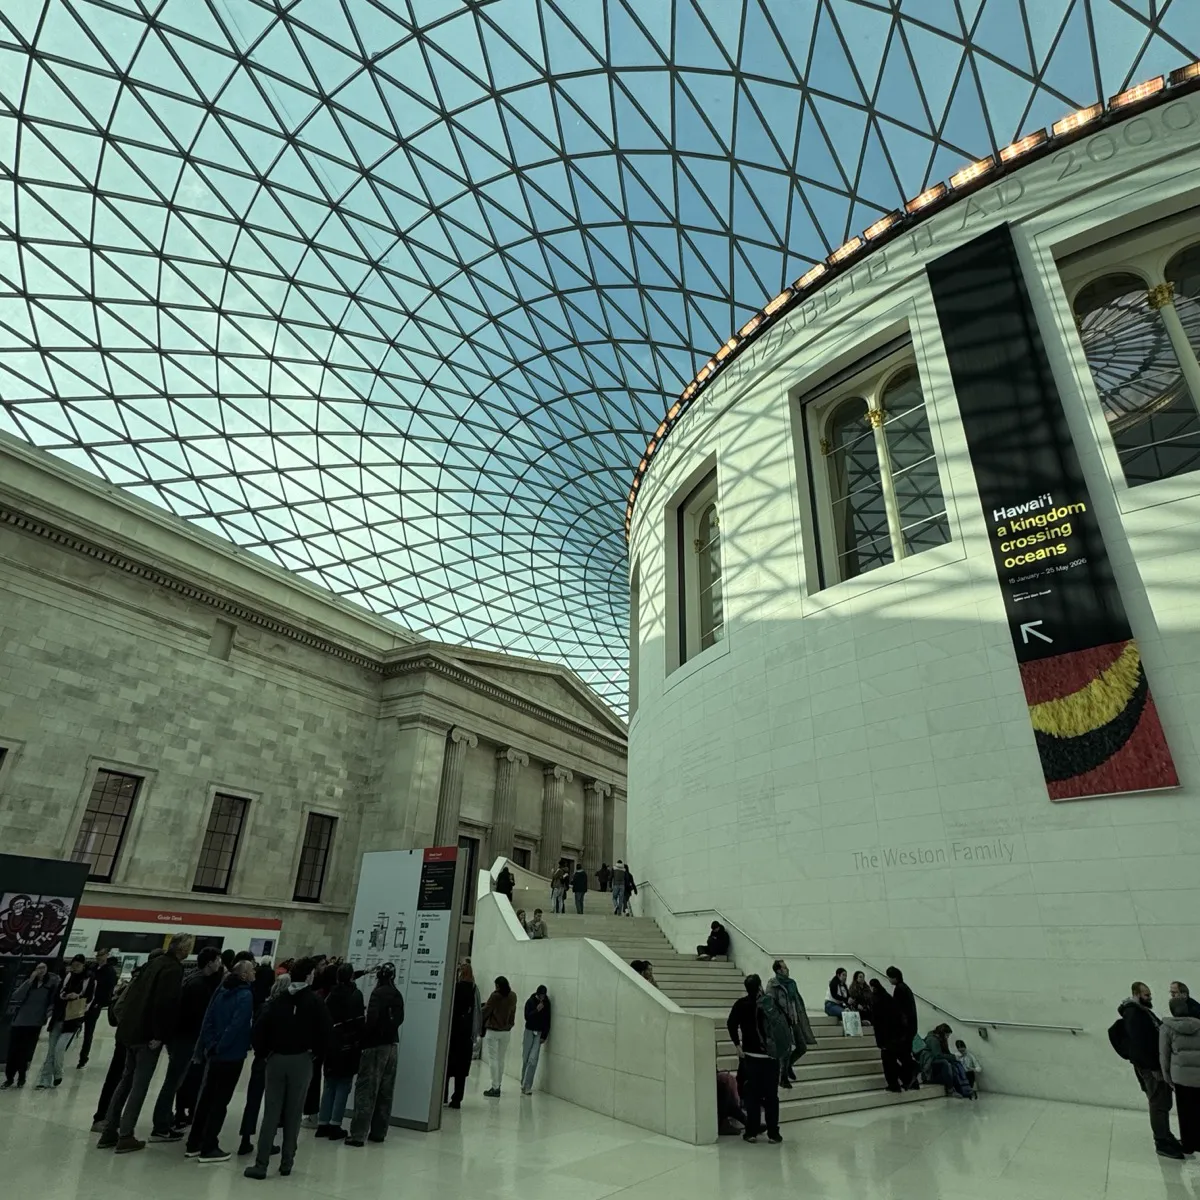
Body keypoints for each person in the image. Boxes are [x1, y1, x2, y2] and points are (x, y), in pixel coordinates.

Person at [99, 931, 194, 1154]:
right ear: (181, 948)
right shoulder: (172, 969)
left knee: (125, 1081)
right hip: (147, 1035)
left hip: (129, 1031)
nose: (189, 950)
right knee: (139, 1086)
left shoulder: (154, 963)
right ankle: (126, 1135)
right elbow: (164, 1004)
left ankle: (109, 1130)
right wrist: (159, 1035)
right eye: (189, 946)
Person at [243, 957, 333, 1179]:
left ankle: (261, 1163)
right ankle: (287, 1162)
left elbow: (259, 1030)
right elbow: (326, 1033)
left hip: (276, 1059)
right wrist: (315, 1053)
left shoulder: (278, 1000)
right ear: (309, 975)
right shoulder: (314, 1001)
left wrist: (265, 1053)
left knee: (271, 1112)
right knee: (293, 1113)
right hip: (301, 1060)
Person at [184, 958, 255, 1163]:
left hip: (214, 1053)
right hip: (231, 1055)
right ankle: (209, 1146)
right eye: (251, 971)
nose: (254, 974)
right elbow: (236, 1025)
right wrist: (222, 1045)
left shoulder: (221, 991)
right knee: (220, 1101)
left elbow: (209, 1019)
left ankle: (194, 1142)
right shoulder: (245, 995)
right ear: (243, 975)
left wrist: (211, 1044)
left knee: (206, 1098)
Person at [152, 945, 224, 1140]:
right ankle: (160, 1125)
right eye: (218, 960)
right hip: (185, 1039)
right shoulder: (199, 986)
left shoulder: (192, 979)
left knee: (174, 1081)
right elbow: (196, 1017)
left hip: (180, 1038)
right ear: (210, 963)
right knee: (173, 1082)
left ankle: (166, 1118)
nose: (220, 964)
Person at [91, 952, 161, 1131]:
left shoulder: (140, 980)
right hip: (129, 1038)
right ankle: (104, 1117)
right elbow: (120, 1008)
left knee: (122, 1077)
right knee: (119, 1077)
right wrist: (132, 1026)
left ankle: (109, 1118)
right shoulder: (141, 982)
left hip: (128, 1036)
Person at [1121, 981, 1185, 1159]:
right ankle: (1162, 1142)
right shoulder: (1134, 1013)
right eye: (1146, 995)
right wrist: (1154, 1067)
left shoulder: (1141, 1011)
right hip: (1151, 1068)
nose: (1150, 998)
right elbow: (1141, 1045)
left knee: (1162, 1103)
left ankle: (1166, 1136)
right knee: (1158, 1104)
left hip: (1155, 1066)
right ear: (1136, 994)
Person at [345, 962, 403, 1148]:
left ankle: (358, 1134)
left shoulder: (377, 994)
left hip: (375, 1047)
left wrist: (362, 1040)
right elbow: (400, 1019)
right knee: (386, 1092)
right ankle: (379, 1132)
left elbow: (372, 1020)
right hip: (391, 1046)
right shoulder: (397, 994)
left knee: (366, 1090)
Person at [238, 973, 290, 1158]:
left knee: (253, 1100)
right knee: (273, 1102)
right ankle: (268, 1141)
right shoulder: (283, 1009)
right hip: (273, 1058)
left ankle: (246, 1137)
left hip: (260, 1058)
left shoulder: (264, 1005)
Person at [726, 975, 782, 1145]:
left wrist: (737, 1045)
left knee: (753, 1096)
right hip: (771, 1057)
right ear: (759, 987)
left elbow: (731, 1024)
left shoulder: (741, 1004)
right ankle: (773, 1133)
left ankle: (751, 1131)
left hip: (751, 1057)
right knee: (771, 1096)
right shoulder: (769, 1004)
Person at [317, 963, 365, 1140]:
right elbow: (359, 1021)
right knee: (343, 1084)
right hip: (348, 1043)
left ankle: (323, 1122)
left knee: (329, 1083)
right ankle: (335, 1123)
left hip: (332, 1043)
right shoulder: (355, 994)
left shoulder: (331, 995)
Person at [36, 954, 94, 1088]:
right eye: (73, 965)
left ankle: (58, 1073)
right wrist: (65, 996)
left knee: (59, 1049)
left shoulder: (89, 979)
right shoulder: (67, 976)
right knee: (51, 1050)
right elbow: (59, 993)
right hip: (58, 1017)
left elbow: (89, 999)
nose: (75, 968)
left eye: (78, 966)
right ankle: (44, 1080)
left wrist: (77, 996)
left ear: (83, 965)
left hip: (73, 1020)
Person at [3, 961, 60, 1087]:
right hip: (19, 1021)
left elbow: (53, 1001)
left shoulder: (51, 984)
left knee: (25, 1052)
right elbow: (16, 996)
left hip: (35, 1023)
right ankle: (9, 1078)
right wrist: (29, 981)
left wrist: (48, 1014)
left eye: (44, 967)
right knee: (13, 1051)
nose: (41, 970)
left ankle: (22, 1078)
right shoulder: (29, 983)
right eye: (38, 968)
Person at [764, 960, 814, 1086]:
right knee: (785, 1050)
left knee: (802, 1047)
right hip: (782, 1021)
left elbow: (797, 1001)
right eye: (785, 968)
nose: (788, 969)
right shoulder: (773, 984)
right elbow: (769, 1004)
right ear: (779, 970)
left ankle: (788, 1066)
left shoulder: (791, 983)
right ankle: (783, 1077)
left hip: (795, 1019)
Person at [1162, 994, 1200, 1155]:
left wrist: (1166, 1076)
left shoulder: (1167, 1028)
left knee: (1185, 1112)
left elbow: (1164, 1054)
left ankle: (1188, 1144)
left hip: (1181, 1077)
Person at [445, 962, 480, 1108]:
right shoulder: (474, 989)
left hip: (452, 1033)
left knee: (446, 1068)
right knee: (461, 1071)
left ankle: (443, 1096)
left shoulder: (455, 988)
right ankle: (457, 1099)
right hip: (466, 1035)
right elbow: (477, 1011)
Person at [78, 948, 118, 1068]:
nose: (99, 957)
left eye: (101, 955)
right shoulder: (92, 968)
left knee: (89, 1031)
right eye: (98, 955)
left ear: (106, 956)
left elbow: (108, 988)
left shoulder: (110, 971)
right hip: (83, 1001)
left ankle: (83, 1057)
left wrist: (100, 1002)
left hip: (95, 1004)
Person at [481, 976, 517, 1098]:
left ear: (498, 985)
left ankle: (495, 1087)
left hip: (493, 1030)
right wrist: (510, 1024)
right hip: (506, 1031)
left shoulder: (495, 996)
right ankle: (499, 1085)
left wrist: (477, 1014)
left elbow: (486, 1010)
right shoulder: (513, 996)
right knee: (501, 1059)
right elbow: (513, 1012)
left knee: (493, 1059)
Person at [869, 978, 906, 1093]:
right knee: (893, 1061)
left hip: (885, 1037)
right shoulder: (887, 997)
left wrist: (880, 1041)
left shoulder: (876, 1000)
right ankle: (903, 1079)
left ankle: (893, 1084)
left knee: (888, 1063)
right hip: (894, 1035)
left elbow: (877, 1023)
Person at [886, 965, 920, 1089]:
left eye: (889, 977)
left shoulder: (899, 989)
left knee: (903, 1055)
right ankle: (912, 1081)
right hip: (911, 1028)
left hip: (904, 1030)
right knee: (905, 1053)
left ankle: (913, 1069)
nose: (889, 980)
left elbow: (897, 1010)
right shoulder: (906, 988)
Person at [918, 1024, 974, 1098]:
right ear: (942, 1033)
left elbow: (945, 1054)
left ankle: (963, 1087)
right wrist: (953, 1057)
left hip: (935, 1064)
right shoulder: (932, 1040)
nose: (947, 1037)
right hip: (929, 1068)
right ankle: (950, 1090)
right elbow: (938, 1055)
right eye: (947, 1035)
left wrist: (953, 1058)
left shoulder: (939, 1039)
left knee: (955, 1063)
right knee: (945, 1063)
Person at [521, 985, 551, 1095]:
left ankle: (527, 1085)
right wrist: (536, 1010)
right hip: (529, 1031)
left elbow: (548, 1020)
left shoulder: (547, 1003)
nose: (542, 997)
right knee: (525, 1058)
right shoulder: (530, 1001)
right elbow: (527, 1017)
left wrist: (544, 1035)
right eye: (541, 995)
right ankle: (523, 1082)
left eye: (544, 995)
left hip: (538, 1033)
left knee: (533, 1060)